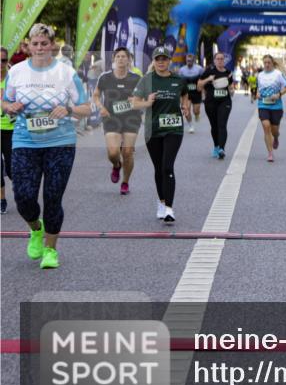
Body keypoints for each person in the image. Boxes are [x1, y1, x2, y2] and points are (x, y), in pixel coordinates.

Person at [1, 24, 92, 269]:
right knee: (23, 197)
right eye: (35, 43)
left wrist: (70, 109)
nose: (40, 48)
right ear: (28, 46)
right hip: (24, 141)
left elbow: (86, 107)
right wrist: (8, 106)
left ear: (52, 45)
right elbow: (5, 99)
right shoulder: (17, 71)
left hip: (60, 143)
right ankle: (35, 229)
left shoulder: (66, 72)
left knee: (53, 197)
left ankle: (51, 251)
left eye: (44, 43)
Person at [131, 45, 189, 224]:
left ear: (169, 61)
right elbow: (134, 103)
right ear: (154, 62)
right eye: (158, 59)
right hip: (153, 130)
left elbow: (185, 94)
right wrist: (147, 103)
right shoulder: (146, 80)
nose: (161, 62)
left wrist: (185, 106)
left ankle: (169, 209)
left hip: (174, 129)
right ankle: (162, 202)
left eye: (164, 59)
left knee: (167, 167)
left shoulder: (178, 80)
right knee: (158, 169)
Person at [93, 47, 143, 195]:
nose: (121, 59)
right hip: (111, 117)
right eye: (118, 56)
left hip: (131, 118)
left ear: (129, 60)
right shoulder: (105, 77)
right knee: (113, 152)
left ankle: (125, 182)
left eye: (124, 57)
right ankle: (116, 165)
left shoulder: (136, 78)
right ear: (114, 59)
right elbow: (96, 95)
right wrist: (100, 107)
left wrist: (136, 100)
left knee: (128, 152)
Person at [197, 52, 236, 160]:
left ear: (224, 61)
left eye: (222, 59)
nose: (220, 61)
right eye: (218, 59)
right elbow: (199, 86)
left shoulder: (228, 72)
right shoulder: (209, 71)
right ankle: (216, 146)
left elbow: (231, 87)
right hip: (210, 103)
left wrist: (232, 90)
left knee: (222, 124)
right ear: (214, 61)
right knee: (214, 126)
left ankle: (221, 149)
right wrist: (208, 79)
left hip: (225, 102)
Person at [254, 54, 286, 163]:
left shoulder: (278, 74)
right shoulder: (259, 75)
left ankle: (276, 137)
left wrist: (279, 94)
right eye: (265, 63)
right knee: (266, 126)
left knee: (274, 131)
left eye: (269, 62)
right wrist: (257, 94)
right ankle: (270, 153)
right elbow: (257, 89)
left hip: (276, 106)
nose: (267, 65)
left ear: (272, 63)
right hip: (263, 105)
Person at [177, 53, 204, 132]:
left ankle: (197, 114)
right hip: (186, 93)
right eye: (187, 60)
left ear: (193, 60)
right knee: (186, 109)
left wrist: (202, 88)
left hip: (196, 92)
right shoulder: (182, 70)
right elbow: (179, 82)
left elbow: (202, 79)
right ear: (185, 60)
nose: (189, 62)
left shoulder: (199, 69)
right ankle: (191, 126)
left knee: (196, 111)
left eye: (190, 60)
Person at [0, 47, 13, 214]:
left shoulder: (13, 79)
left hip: (11, 129)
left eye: (3, 60)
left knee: (11, 169)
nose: (0, 64)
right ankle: (2, 198)